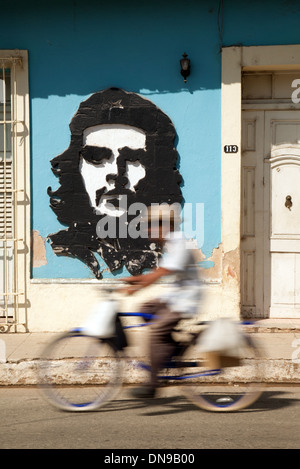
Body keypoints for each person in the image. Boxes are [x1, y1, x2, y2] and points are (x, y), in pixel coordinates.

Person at [122, 204, 201, 398]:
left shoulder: (179, 243)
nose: (148, 230)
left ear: (164, 225)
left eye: (151, 225)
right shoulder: (170, 243)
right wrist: (129, 280)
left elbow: (161, 273)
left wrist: (135, 287)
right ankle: (171, 349)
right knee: (145, 308)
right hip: (175, 296)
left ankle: (153, 384)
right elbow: (158, 272)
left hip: (185, 300)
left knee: (156, 330)